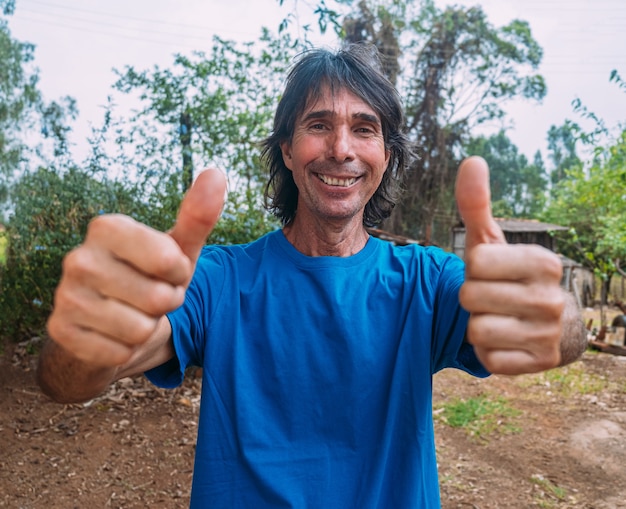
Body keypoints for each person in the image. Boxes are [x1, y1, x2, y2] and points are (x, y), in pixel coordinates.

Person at [37, 44, 587, 508]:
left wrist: (551, 310)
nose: (341, 149)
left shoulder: (427, 281)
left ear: (386, 156)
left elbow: (564, 333)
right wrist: (87, 338)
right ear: (288, 150)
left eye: (363, 129)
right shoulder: (218, 280)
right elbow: (71, 380)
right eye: (318, 125)